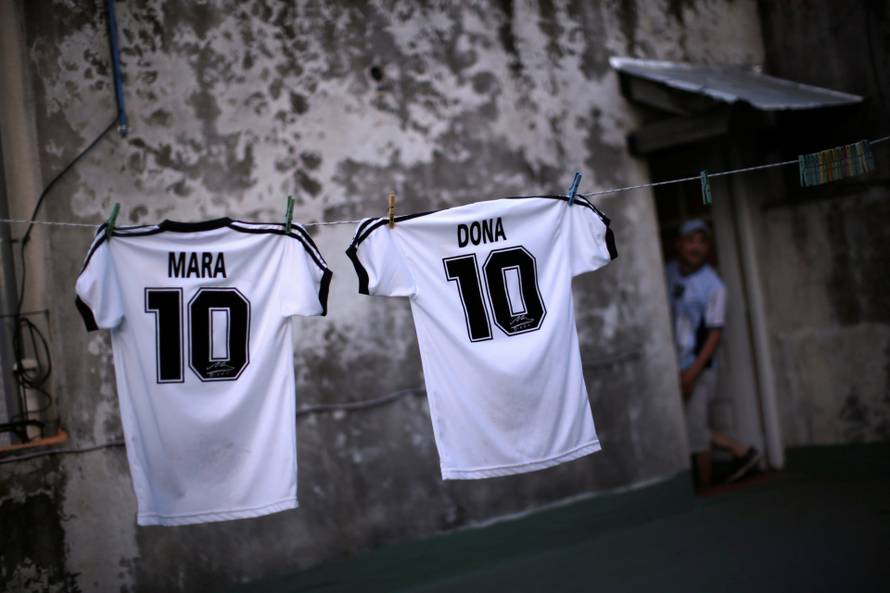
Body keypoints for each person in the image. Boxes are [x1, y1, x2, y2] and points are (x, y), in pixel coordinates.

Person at [665, 219, 760, 490]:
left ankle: (705, 488)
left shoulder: (714, 286)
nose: (696, 247)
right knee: (680, 426)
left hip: (698, 367)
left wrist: (691, 373)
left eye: (702, 242)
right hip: (670, 364)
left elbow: (714, 334)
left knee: (695, 430)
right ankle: (741, 451)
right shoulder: (667, 272)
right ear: (679, 244)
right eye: (690, 240)